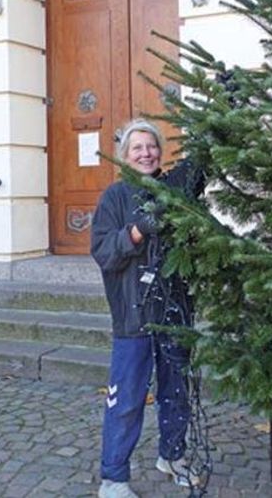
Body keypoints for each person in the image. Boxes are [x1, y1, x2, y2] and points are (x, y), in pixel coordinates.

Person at [91, 118, 204, 498]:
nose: (145, 153)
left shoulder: (175, 190)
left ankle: (172, 456)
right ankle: (114, 478)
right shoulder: (114, 198)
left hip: (174, 312)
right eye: (137, 148)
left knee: (176, 392)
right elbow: (104, 253)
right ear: (125, 156)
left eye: (151, 146)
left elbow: (201, 167)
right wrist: (137, 230)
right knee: (125, 401)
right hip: (134, 316)